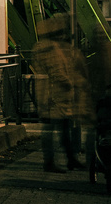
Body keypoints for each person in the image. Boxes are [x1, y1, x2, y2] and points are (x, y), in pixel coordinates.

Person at [30, 15, 92, 172]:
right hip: (55, 96)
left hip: (46, 94)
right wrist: (70, 84)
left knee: (56, 128)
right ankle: (58, 161)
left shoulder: (40, 47)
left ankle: (62, 160)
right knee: (59, 128)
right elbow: (57, 71)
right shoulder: (51, 49)